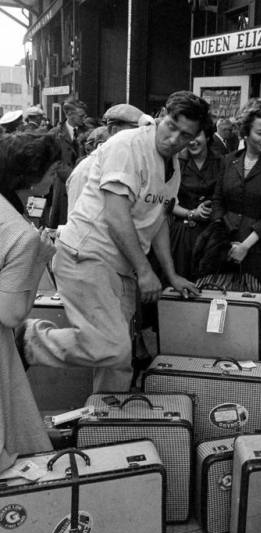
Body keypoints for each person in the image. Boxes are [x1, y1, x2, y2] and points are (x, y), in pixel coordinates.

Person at [18, 91, 210, 393]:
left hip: (120, 266)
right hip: (87, 255)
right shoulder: (128, 145)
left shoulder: (171, 163)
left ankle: (106, 425)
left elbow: (157, 219)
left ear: (195, 138)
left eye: (185, 135)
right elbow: (116, 215)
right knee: (113, 347)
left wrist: (170, 274)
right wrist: (146, 271)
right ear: (160, 115)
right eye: (171, 125)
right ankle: (30, 341)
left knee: (119, 360)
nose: (174, 138)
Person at [0, 131, 62, 471]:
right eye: (52, 171)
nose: (55, 179)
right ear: (31, 174)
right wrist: (40, 258)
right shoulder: (22, 235)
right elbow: (11, 315)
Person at [211, 97, 261, 339]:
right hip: (224, 245)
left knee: (254, 311)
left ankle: (254, 363)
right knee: (220, 307)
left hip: (257, 250)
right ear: (246, 132)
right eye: (260, 132)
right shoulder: (228, 161)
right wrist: (223, 238)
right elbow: (217, 201)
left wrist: (245, 246)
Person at [66, 104, 142, 215]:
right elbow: (76, 220)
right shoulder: (86, 169)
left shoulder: (129, 164)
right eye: (135, 131)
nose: (140, 137)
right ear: (114, 130)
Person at [170, 124, 223, 280]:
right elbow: (167, 202)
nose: (192, 141)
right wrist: (192, 213)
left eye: (196, 136)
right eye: (188, 137)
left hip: (213, 235)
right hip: (183, 234)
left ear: (207, 136)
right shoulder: (176, 162)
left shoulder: (222, 162)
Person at [45, 96, 88, 228]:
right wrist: (74, 176)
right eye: (81, 115)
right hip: (62, 185)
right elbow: (54, 160)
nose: (84, 117)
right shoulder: (54, 134)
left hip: (84, 185)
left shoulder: (88, 133)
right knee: (61, 222)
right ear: (69, 114)